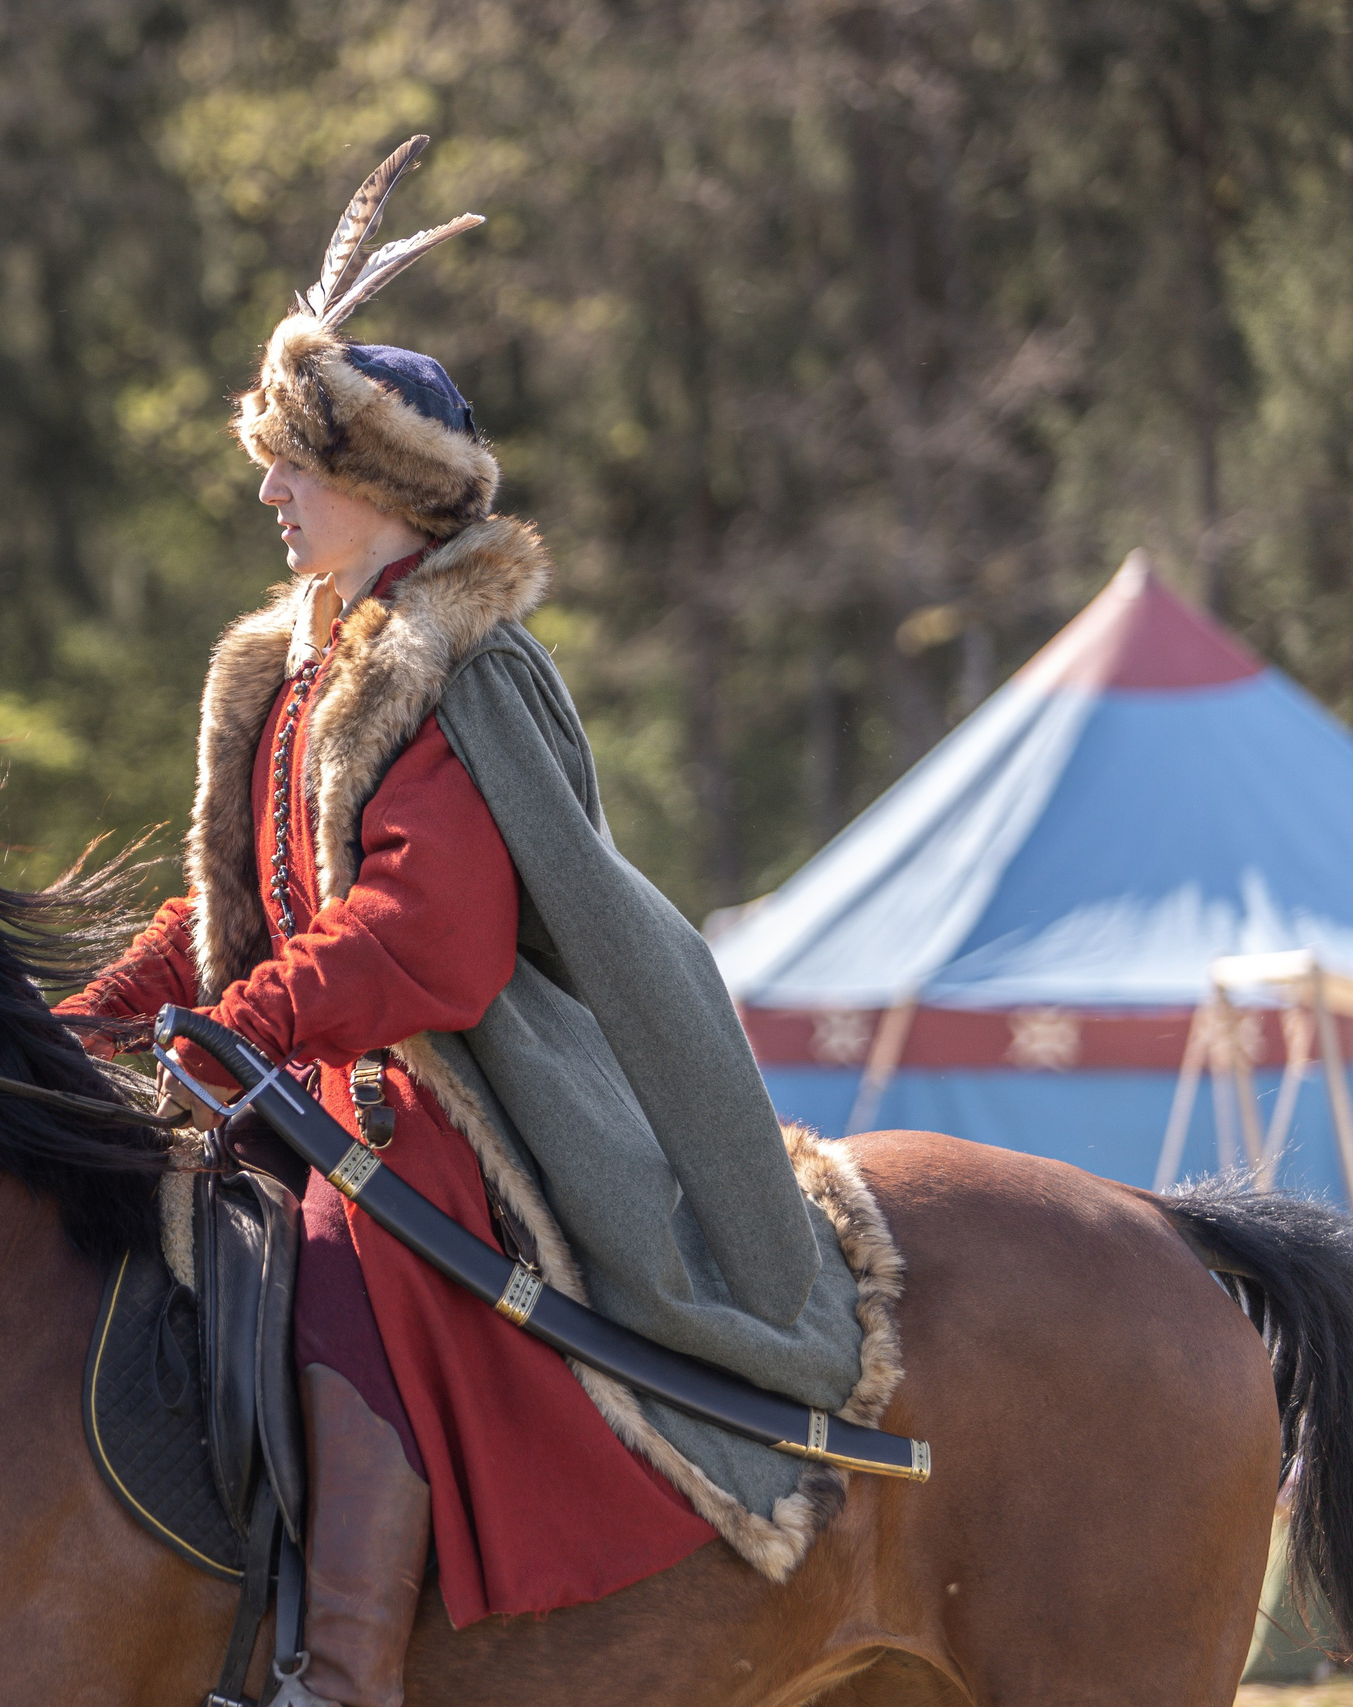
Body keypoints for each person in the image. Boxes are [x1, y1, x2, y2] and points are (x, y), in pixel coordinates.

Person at [57, 138, 862, 1706]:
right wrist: (89, 1019)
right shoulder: (293, 664)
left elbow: (433, 937)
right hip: (307, 1065)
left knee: (349, 1257)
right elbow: (238, 905)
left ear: (377, 480)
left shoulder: (457, 666)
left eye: (293, 466)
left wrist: (255, 1025)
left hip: (456, 1093)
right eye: (270, 465)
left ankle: (342, 1670)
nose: (271, 493)